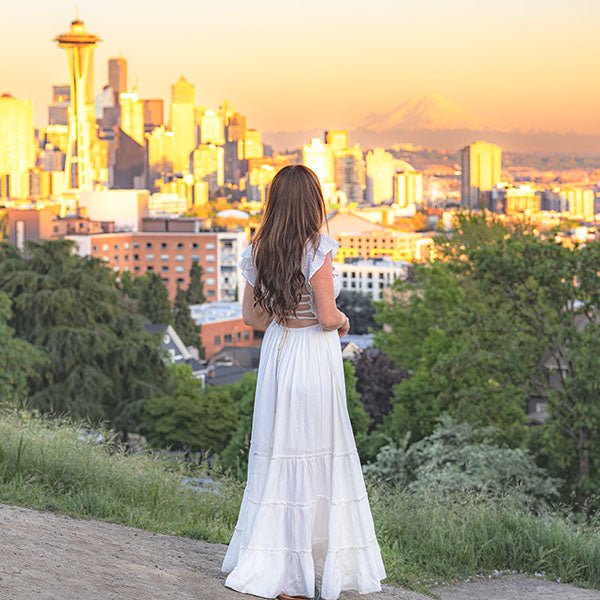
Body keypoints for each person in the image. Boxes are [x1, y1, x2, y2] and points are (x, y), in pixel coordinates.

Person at [221, 164, 386, 600]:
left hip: (279, 352)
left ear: (275, 199)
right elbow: (329, 315)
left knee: (280, 451)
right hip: (312, 353)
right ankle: (304, 572)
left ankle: (278, 567)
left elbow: (252, 317)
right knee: (316, 451)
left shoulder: (259, 247)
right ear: (313, 201)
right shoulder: (317, 248)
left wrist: (284, 313)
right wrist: (344, 320)